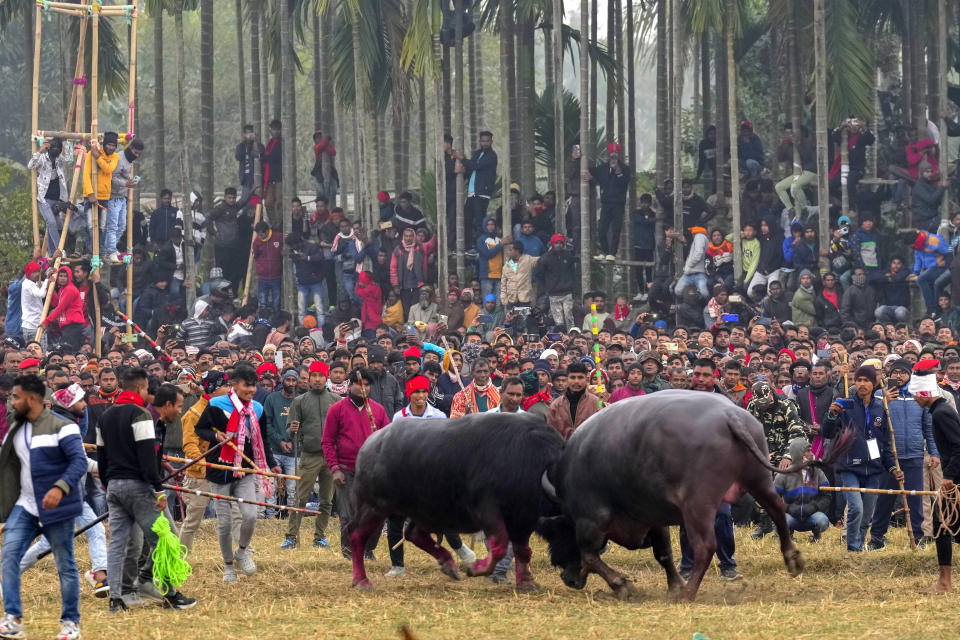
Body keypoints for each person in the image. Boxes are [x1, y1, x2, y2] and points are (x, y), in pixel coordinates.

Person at [96, 367, 196, 611]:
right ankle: (171, 595)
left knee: (118, 543)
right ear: (141, 388)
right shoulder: (140, 415)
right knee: (166, 538)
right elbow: (146, 458)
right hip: (139, 487)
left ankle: (116, 598)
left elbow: (101, 457)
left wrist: (110, 485)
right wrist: (158, 489)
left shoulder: (105, 416)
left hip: (114, 487)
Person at [0, 375, 87, 640]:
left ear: (32, 399)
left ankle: (70, 623)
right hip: (25, 505)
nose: (12, 402)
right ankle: (13, 619)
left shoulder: (63, 427)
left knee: (65, 565)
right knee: (8, 555)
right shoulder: (15, 429)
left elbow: (79, 462)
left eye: (16, 397)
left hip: (57, 507)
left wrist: (60, 487)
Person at [194, 364, 282, 582]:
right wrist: (216, 437)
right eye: (246, 386)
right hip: (219, 469)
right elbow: (200, 429)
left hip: (246, 468)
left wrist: (272, 464)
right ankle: (228, 565)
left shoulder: (258, 409)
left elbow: (262, 439)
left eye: (254, 386)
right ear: (234, 385)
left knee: (251, 515)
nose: (251, 390)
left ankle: (242, 551)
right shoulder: (216, 404)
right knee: (223, 523)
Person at [823, 365, 902, 552]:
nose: (862, 384)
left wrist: (892, 468)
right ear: (854, 382)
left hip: (874, 469)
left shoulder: (881, 407)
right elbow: (827, 432)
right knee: (856, 509)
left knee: (866, 515)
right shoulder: (845, 404)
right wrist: (831, 415)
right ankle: (853, 549)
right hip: (849, 467)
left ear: (874, 384)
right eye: (858, 380)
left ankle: (859, 543)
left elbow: (885, 443)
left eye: (866, 380)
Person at [679, 358, 741, 581]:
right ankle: (686, 567)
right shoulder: (680, 401)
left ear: (715, 378)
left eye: (706, 375)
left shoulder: (726, 404)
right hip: (687, 471)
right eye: (697, 374)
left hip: (718, 472)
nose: (701, 379)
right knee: (688, 519)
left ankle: (728, 565)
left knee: (722, 517)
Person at [867, 358, 939, 549]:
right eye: (895, 372)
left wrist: (934, 452)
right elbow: (872, 422)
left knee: (915, 498)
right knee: (885, 498)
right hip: (889, 457)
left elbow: (928, 427)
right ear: (889, 375)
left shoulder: (919, 396)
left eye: (903, 372)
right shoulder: (879, 395)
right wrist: (884, 402)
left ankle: (918, 538)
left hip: (914, 455)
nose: (898, 376)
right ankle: (876, 538)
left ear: (910, 375)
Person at [321, 368, 390, 559]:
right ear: (350, 385)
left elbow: (387, 441)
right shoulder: (337, 409)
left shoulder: (378, 410)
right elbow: (327, 441)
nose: (363, 388)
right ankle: (349, 553)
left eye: (367, 384)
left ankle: (368, 549)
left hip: (372, 472)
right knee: (349, 515)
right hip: (346, 469)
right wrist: (335, 469)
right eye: (359, 383)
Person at [907, 360, 960, 594]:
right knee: (944, 524)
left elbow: (959, 446)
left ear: (924, 392)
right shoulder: (938, 410)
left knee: (942, 524)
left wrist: (948, 477)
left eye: (916, 394)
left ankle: (945, 583)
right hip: (954, 476)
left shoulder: (941, 413)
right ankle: (945, 582)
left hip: (954, 478)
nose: (915, 399)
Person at [282, 361, 339, 550]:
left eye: (320, 376)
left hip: (331, 456)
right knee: (300, 497)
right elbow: (289, 431)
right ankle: (291, 537)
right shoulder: (299, 401)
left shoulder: (337, 400)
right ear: (308, 378)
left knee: (326, 500)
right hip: (308, 455)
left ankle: (320, 536)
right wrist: (293, 429)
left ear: (326, 377)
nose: (316, 379)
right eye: (313, 376)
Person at [745, 380, 808, 538]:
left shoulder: (786, 405)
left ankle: (785, 528)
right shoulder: (752, 406)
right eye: (758, 402)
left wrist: (788, 456)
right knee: (759, 487)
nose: (761, 405)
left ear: (771, 394)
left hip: (786, 452)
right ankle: (765, 523)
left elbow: (798, 434)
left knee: (783, 488)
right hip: (763, 453)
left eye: (764, 402)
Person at [583, 142, 633, 260]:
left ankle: (612, 253)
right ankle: (605, 252)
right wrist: (590, 177)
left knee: (616, 230)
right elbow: (592, 172)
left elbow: (623, 183)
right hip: (605, 204)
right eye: (612, 152)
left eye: (616, 152)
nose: (613, 155)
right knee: (601, 230)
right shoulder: (603, 168)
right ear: (608, 154)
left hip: (618, 204)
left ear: (619, 154)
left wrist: (617, 170)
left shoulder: (625, 169)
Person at [774, 439, 831, 542]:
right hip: (791, 517)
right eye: (808, 451)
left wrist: (815, 507)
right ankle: (788, 534)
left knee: (822, 521)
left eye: (811, 450)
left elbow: (827, 496)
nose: (811, 454)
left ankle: (816, 535)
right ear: (798, 453)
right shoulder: (784, 474)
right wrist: (788, 508)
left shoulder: (817, 472)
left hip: (812, 516)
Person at [262, 369, 299, 518]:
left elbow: (303, 425)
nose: (291, 383)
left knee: (292, 488)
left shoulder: (301, 400)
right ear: (282, 381)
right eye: (288, 380)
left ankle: (292, 517)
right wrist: (280, 440)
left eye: (293, 380)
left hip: (295, 451)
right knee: (271, 486)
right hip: (274, 450)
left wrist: (291, 441)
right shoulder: (272, 399)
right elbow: (267, 424)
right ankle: (271, 516)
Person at [27, 137, 71, 257]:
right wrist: (40, 150)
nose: (56, 149)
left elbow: (69, 158)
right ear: (48, 147)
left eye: (58, 147)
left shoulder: (58, 159)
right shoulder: (42, 158)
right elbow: (31, 165)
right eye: (53, 146)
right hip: (44, 199)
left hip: (57, 199)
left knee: (57, 225)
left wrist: (65, 141)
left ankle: (52, 252)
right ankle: (59, 250)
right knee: (50, 222)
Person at [105, 137, 145, 263]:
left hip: (122, 197)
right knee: (113, 226)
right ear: (131, 149)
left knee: (122, 226)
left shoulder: (130, 161)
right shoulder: (118, 158)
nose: (137, 156)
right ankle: (110, 250)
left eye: (139, 154)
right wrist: (125, 183)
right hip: (113, 197)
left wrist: (131, 182)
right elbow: (111, 177)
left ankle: (110, 247)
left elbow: (125, 176)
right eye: (136, 153)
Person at [455, 131, 498, 247]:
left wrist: (462, 158)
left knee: (479, 221)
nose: (485, 143)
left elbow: (476, 166)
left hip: (482, 193)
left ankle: (479, 246)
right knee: (467, 219)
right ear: (479, 141)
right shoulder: (477, 153)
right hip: (471, 192)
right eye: (483, 141)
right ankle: (469, 245)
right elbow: (471, 167)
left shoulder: (492, 156)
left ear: (491, 141)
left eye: (487, 141)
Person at [82, 132, 120, 255]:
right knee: (90, 226)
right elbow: (86, 175)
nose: (111, 148)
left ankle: (102, 252)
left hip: (105, 198)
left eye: (113, 145)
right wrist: (90, 193)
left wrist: (98, 156)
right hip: (90, 198)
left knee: (103, 227)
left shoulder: (115, 157)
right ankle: (90, 252)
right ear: (104, 144)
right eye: (109, 144)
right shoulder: (90, 155)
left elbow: (108, 169)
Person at [546, 362, 601, 439]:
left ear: (587, 379)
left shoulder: (596, 403)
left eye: (580, 377)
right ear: (567, 379)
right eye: (572, 377)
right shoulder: (556, 405)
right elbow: (550, 435)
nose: (576, 381)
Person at [535, 234, 576, 330]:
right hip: (553, 294)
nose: (559, 245)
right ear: (552, 244)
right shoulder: (545, 258)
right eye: (557, 243)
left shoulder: (568, 256)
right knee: (558, 320)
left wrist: (572, 287)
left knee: (569, 317)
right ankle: (560, 338)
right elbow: (538, 273)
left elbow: (573, 273)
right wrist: (547, 286)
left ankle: (572, 335)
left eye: (561, 243)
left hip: (567, 292)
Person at [252, 221, 284, 313]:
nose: (260, 236)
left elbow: (287, 239)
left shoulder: (278, 237)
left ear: (267, 231)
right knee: (262, 302)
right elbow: (255, 255)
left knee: (276, 302)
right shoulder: (257, 242)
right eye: (258, 234)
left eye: (261, 234)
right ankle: (262, 321)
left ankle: (276, 320)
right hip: (263, 278)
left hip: (276, 276)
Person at [235, 124, 264, 202]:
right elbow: (238, 157)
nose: (249, 136)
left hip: (257, 178)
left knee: (257, 202)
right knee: (245, 200)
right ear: (244, 135)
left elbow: (262, 155)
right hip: (246, 178)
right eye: (247, 133)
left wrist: (256, 141)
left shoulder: (258, 145)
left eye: (251, 133)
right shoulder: (240, 146)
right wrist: (247, 145)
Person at [262, 120, 283, 217]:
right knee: (268, 203)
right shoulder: (270, 143)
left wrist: (261, 156)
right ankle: (274, 224)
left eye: (276, 130)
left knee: (279, 203)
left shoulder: (280, 143)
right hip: (270, 178)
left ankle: (279, 227)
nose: (274, 132)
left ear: (280, 130)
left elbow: (272, 157)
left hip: (279, 178)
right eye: (272, 129)